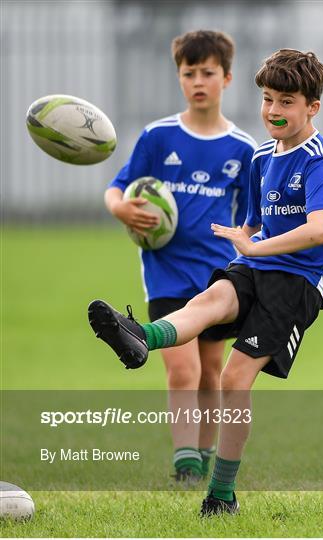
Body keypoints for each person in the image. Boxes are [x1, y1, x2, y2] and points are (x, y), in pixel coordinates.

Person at [88, 48, 323, 515]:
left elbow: (319, 229)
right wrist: (243, 238)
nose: (273, 111)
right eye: (268, 99)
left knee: (233, 377)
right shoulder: (262, 157)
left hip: (302, 279)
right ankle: (140, 336)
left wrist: (252, 247)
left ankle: (222, 495)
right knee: (209, 300)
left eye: (287, 101)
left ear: (312, 107)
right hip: (260, 264)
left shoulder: (320, 159)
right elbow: (252, 223)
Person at [96, 30, 257, 483]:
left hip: (216, 275)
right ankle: (185, 463)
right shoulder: (157, 136)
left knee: (211, 371)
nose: (198, 81)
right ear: (179, 77)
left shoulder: (243, 149)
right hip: (165, 271)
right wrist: (121, 208)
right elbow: (116, 188)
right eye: (189, 73)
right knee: (182, 368)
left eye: (208, 72)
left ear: (227, 77)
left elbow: (250, 218)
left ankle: (204, 453)